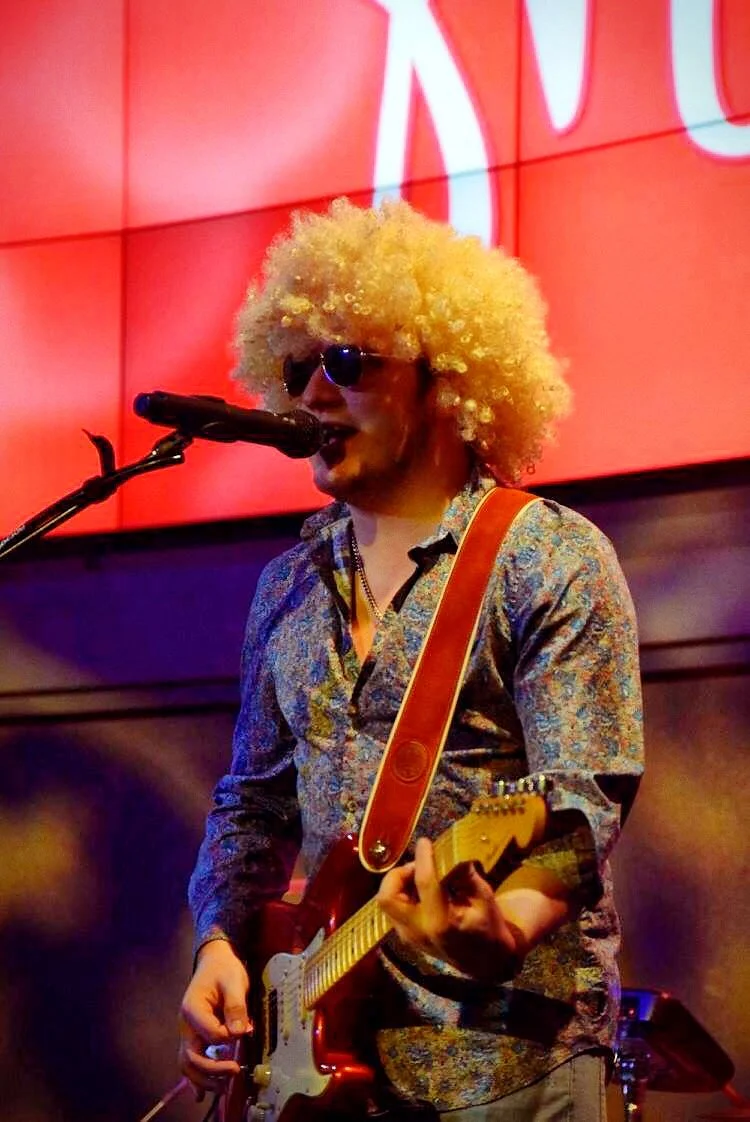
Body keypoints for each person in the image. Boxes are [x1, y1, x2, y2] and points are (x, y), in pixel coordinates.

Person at [178, 198, 644, 1120]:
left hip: (508, 1063)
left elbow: (584, 794)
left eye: (348, 364)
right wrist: (218, 948)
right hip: (321, 1074)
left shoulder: (547, 556)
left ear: (450, 379)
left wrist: (504, 925)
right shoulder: (288, 585)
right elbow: (253, 804)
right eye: (300, 366)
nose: (313, 394)